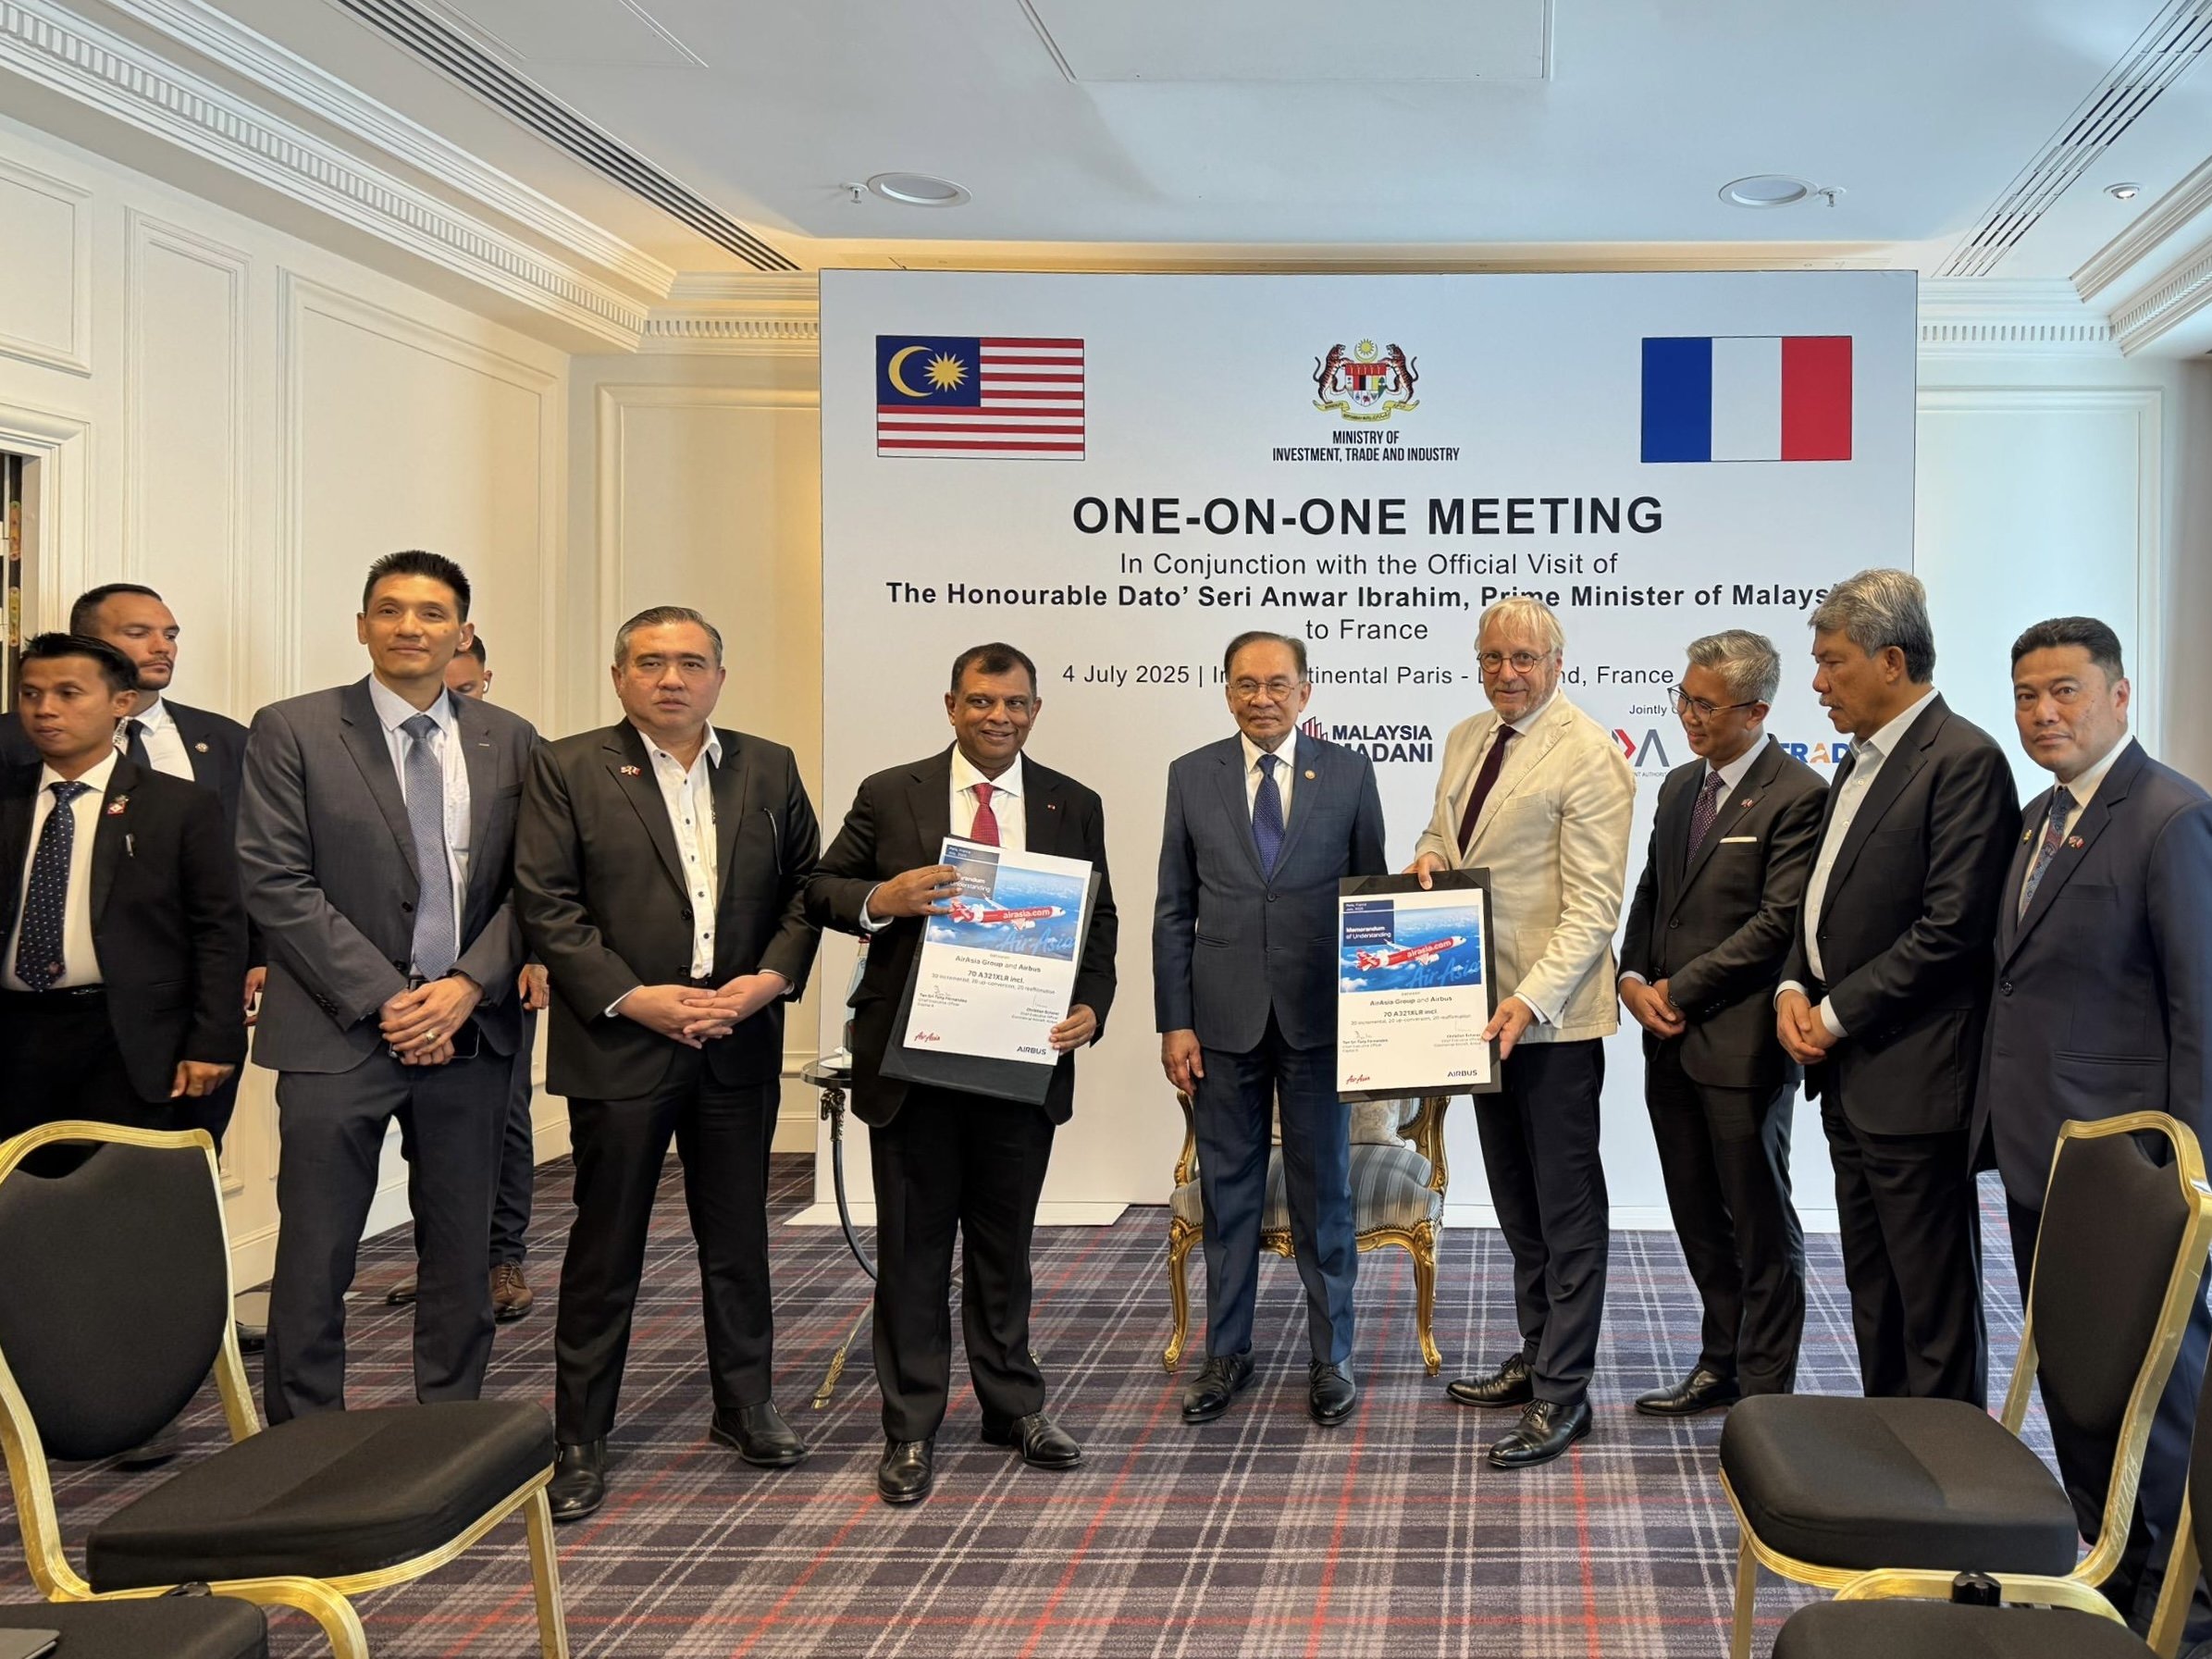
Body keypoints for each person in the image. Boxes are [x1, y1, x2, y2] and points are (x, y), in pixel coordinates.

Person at [515, 605, 821, 1522]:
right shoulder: (567, 765)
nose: (672, 678)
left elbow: (805, 890)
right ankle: (580, 1433)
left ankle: (745, 1404)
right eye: (651, 662)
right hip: (622, 1039)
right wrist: (632, 996)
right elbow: (547, 902)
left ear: (720, 676)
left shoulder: (769, 765)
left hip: (736, 1036)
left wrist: (770, 979)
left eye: (691, 662)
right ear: (619, 676)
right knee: (605, 1246)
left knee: (738, 1237)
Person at [808, 642, 1118, 1504]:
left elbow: (1099, 922)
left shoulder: (1071, 802)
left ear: (1035, 711)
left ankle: (1012, 1406)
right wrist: (883, 898)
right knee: (912, 1251)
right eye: (981, 701)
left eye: (1014, 703)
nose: (998, 717)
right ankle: (910, 1424)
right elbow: (821, 887)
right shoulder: (890, 792)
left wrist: (1092, 1006)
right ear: (951, 705)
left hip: (1019, 1060)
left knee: (1002, 1246)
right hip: (916, 1061)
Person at [238, 551, 538, 1424]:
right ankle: (305, 1438)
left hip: (470, 1032)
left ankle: (447, 1425)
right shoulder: (292, 728)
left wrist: (467, 984)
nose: (411, 626)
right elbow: (275, 879)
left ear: (463, 632)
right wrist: (391, 997)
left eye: (432, 612)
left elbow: (537, 883)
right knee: (316, 1251)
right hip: (334, 1032)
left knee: (461, 1248)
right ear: (362, 625)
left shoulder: (511, 737)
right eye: (391, 609)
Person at [1979, 615, 2212, 1628]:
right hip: (2045, 1156)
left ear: (2119, 695)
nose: (2043, 712)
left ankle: (2183, 1601)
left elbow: (2200, 1016)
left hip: (2137, 1177)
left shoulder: (2171, 816)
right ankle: (2111, 1564)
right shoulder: (2040, 815)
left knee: (2156, 1390)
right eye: (2027, 694)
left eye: (2065, 690)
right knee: (2077, 1379)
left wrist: (2187, 1181)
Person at [1775, 567, 2018, 1406]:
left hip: (1916, 1080)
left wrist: (1834, 1014)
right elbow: (1820, 901)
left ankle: (1946, 1471)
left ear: (1890, 660)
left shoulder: (1963, 760)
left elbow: (1951, 929)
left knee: (1932, 1304)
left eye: (1831, 662)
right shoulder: (1860, 760)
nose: (1817, 682)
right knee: (1874, 1290)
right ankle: (1884, 1452)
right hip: (1849, 1076)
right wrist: (1791, 987)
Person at [1415, 598, 1635, 1468]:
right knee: (1515, 1199)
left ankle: (1563, 1391)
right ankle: (1537, 1352)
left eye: (1523, 658)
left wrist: (1532, 1000)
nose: (1506, 672)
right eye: (1491, 657)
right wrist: (1429, 856)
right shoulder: (1466, 736)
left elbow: (1594, 909)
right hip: (1476, 1012)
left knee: (1566, 1208)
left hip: (1551, 1023)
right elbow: (1444, 831)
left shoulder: (1589, 753)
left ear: (1556, 662)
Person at [1155, 630, 1387, 1430]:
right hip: (1220, 1022)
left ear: (1304, 691)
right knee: (1229, 1195)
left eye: (1277, 684)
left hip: (1321, 1018)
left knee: (1326, 1191)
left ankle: (1332, 1357)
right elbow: (1173, 908)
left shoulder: (1349, 773)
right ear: (1226, 691)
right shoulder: (1191, 775)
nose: (1262, 698)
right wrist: (1174, 1021)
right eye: (1246, 684)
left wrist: (1373, 1017)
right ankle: (1227, 1353)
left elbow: (1371, 902)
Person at [1618, 630, 1825, 1413]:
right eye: (1683, 697)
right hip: (1667, 1040)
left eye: (1705, 705)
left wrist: (1679, 987)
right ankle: (1722, 1360)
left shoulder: (1797, 792)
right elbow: (1652, 893)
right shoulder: (1678, 785)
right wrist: (1631, 977)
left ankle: (1766, 1397)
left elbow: (1776, 923)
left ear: (1755, 710)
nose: (1686, 714)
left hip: (1742, 1045)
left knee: (1758, 1222)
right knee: (1697, 1213)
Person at [0, 585, 264, 1146]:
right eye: (32, 695)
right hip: (16, 1034)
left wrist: (213, 1036)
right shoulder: (10, 786)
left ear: (117, 701)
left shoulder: (185, 795)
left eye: (68, 694)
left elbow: (221, 920)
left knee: (136, 1189)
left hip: (135, 1033)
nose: (45, 710)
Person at [386, 633, 546, 1322]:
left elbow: (542, 868)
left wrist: (533, 956)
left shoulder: (513, 743)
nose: (448, 695)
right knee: (426, 1133)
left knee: (504, 1122)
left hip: (498, 973)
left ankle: (502, 1257)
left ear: (486, 679)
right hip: (398, 981)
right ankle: (445, 1260)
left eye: (467, 686)